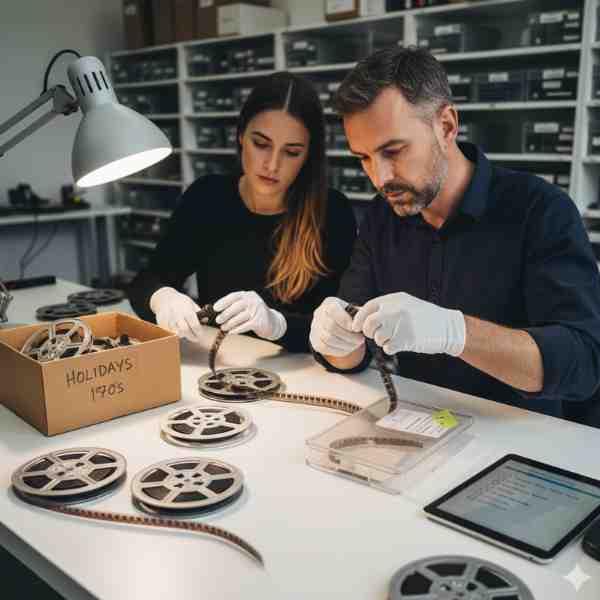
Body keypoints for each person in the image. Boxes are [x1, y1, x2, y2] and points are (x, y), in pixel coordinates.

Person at [309, 46, 600, 418]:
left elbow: (584, 363)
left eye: (393, 150)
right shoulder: (382, 216)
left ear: (446, 125)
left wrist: (455, 331)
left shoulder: (541, 210)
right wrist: (337, 341)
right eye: (363, 158)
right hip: (424, 425)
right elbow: (353, 353)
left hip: (520, 437)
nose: (379, 178)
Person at [128, 72, 356, 352]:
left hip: (304, 371)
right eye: (260, 144)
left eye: (292, 152)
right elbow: (146, 280)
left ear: (308, 156)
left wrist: (277, 324)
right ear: (240, 136)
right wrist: (162, 298)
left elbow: (343, 329)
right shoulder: (208, 197)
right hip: (221, 364)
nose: (272, 165)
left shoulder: (333, 212)